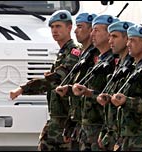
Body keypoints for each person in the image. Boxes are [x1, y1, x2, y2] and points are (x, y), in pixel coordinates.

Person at [9, 10, 81, 151]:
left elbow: (55, 80)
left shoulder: (74, 53)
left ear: (69, 28)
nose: (54, 30)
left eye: (58, 26)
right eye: (52, 27)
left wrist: (23, 89)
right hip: (57, 120)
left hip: (66, 121)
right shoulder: (62, 54)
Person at [72, 14, 119, 151]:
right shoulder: (97, 60)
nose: (92, 34)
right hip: (88, 127)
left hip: (101, 127)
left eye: (96, 30)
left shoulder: (114, 63)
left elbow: (111, 96)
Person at [55, 12, 99, 151]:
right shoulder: (81, 55)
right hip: (79, 123)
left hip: (93, 125)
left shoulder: (97, 58)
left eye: (80, 27)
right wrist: (71, 123)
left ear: (91, 30)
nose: (75, 30)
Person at [96, 20, 135, 151]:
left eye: (115, 36)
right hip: (114, 134)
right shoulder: (119, 65)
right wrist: (105, 130)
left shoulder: (135, 67)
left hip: (131, 136)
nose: (110, 41)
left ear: (127, 39)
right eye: (110, 36)